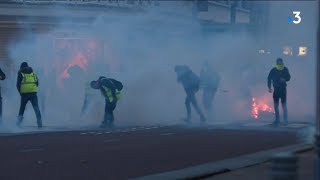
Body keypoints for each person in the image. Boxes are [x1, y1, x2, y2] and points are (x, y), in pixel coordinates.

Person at [16, 62, 42, 128]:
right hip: (33, 93)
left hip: (24, 94)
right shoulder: (33, 73)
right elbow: (37, 83)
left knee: (22, 108)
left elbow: (18, 84)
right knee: (36, 107)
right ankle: (40, 123)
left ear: (21, 67)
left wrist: (20, 92)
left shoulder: (20, 73)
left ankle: (18, 124)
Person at [267, 58, 291, 126]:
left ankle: (285, 120)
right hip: (276, 90)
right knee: (276, 106)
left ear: (282, 63)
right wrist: (269, 87)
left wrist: (284, 79)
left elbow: (289, 77)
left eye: (280, 62)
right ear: (276, 63)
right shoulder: (273, 70)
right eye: (278, 63)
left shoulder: (285, 69)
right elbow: (269, 78)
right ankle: (277, 120)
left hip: (283, 90)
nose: (279, 64)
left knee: (284, 105)